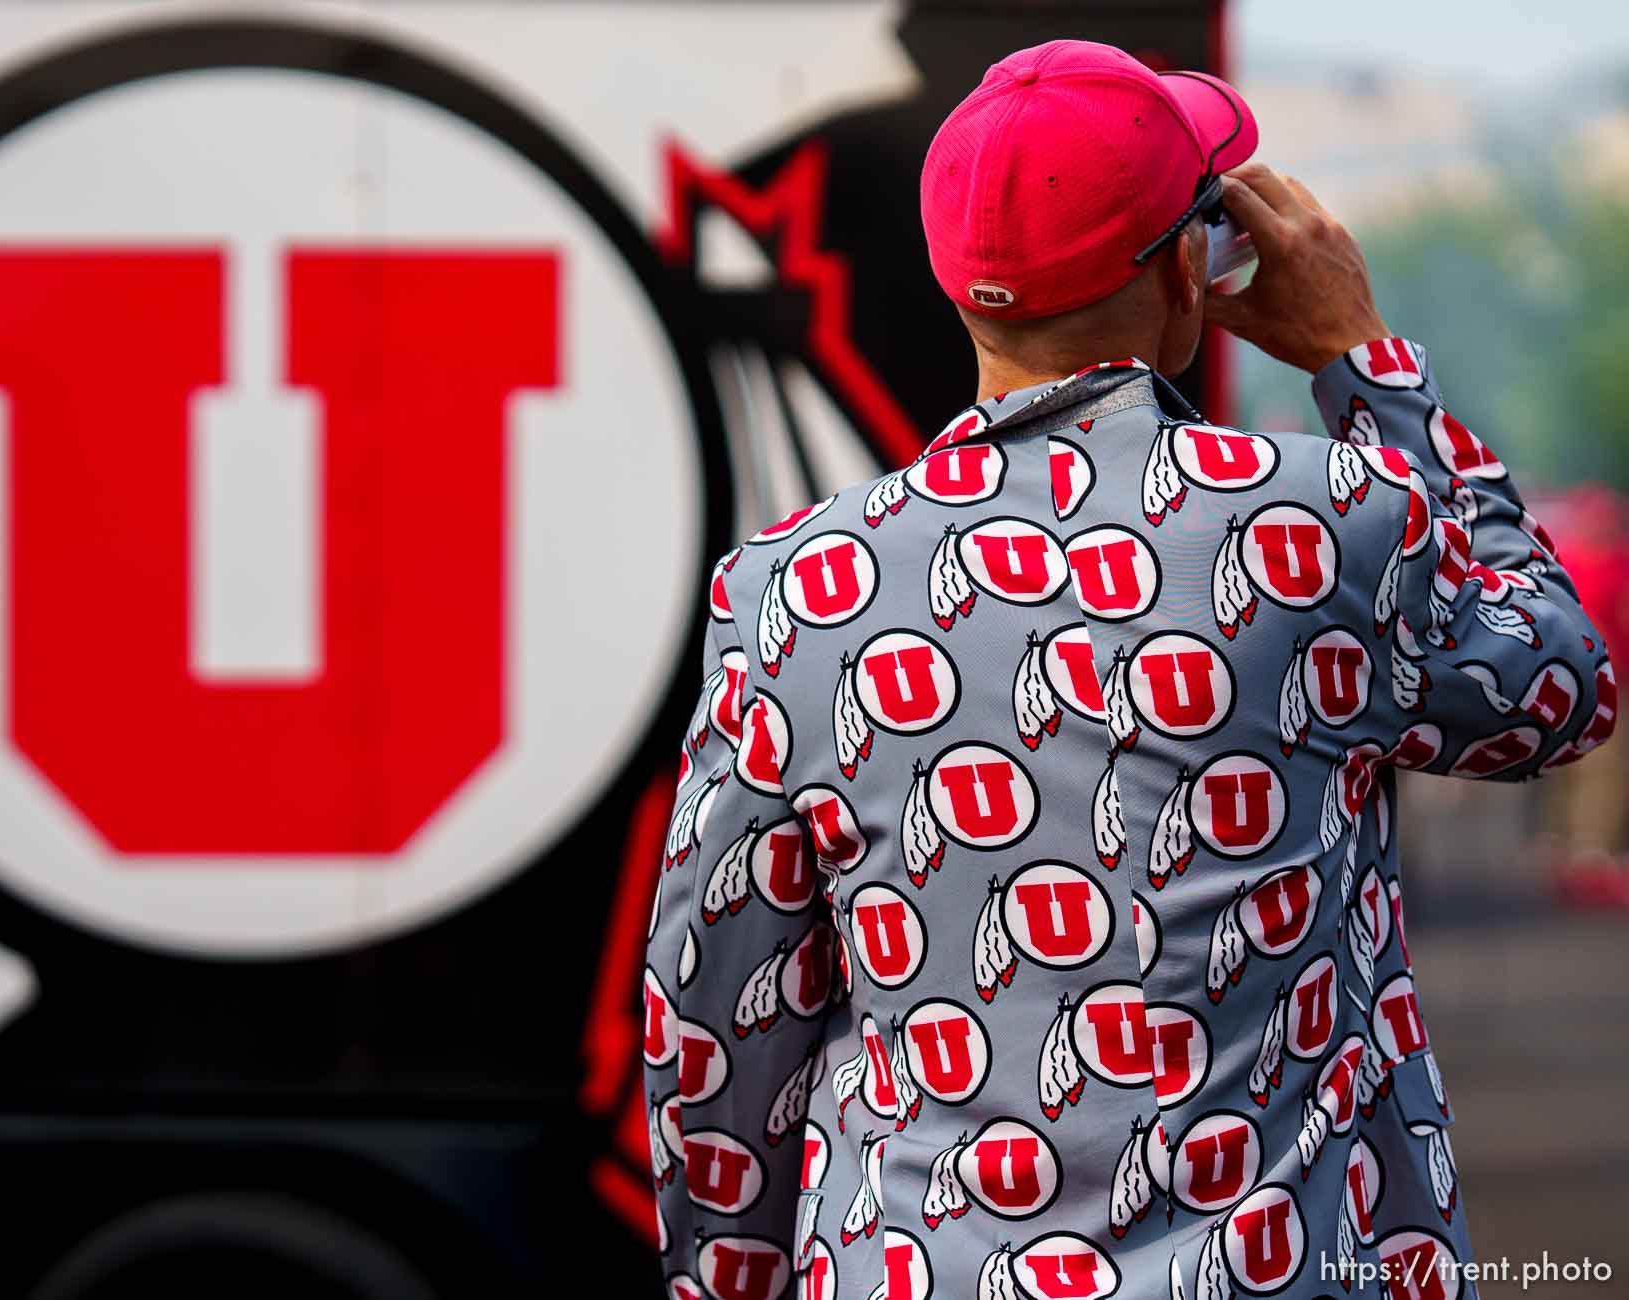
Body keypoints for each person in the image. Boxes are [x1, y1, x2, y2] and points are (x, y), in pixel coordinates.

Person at [641, 38, 1616, 1300]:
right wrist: (1362, 357)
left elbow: (715, 1007)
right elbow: (1559, 684)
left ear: (957, 283)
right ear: (1183, 269)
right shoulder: (1324, 528)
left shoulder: (792, 590)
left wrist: (729, 1281)